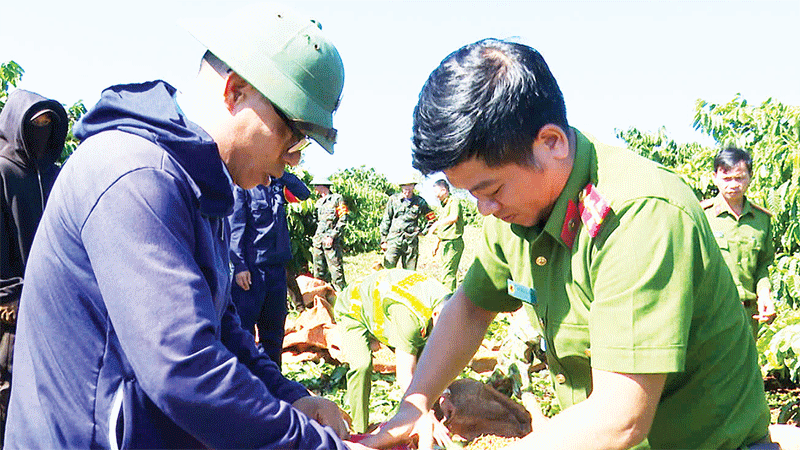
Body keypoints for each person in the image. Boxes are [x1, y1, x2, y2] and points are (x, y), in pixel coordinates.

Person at [362, 39, 772, 450]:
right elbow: (470, 307)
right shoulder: (515, 208)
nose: (483, 209)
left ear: (552, 142)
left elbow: (620, 416)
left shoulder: (637, 215)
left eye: (491, 189)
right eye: (470, 194)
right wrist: (413, 405)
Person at [4, 5, 374, 449]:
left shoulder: (199, 188)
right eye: (293, 135)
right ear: (235, 91)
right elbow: (183, 367)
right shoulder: (135, 175)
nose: (293, 160)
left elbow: (220, 326)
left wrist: (288, 396)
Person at [0, 89, 67, 446]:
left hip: (48, 309)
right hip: (9, 310)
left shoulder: (56, 177)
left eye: (47, 125)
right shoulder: (2, 170)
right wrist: (10, 294)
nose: (41, 131)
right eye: (35, 123)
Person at [333, 268, 450, 444]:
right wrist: (425, 416)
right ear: (434, 315)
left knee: (423, 357)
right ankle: (360, 430)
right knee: (362, 365)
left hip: (385, 301)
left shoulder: (449, 302)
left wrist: (444, 395)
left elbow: (437, 359)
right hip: (354, 307)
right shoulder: (410, 319)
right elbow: (404, 375)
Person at [229, 171, 310, 365]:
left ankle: (272, 381)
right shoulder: (244, 187)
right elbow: (235, 228)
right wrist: (239, 266)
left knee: (274, 331)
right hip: (252, 271)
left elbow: (304, 193)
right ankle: (245, 381)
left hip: (277, 269)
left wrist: (281, 173)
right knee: (244, 329)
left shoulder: (277, 186)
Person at [702, 147, 776, 339]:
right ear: (715, 178)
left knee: (746, 368)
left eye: (740, 178)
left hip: (748, 316)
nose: (733, 184)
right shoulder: (702, 216)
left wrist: (765, 295)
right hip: (711, 314)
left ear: (750, 177)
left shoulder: (761, 220)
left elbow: (763, 266)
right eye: (727, 179)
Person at [380, 176, 436, 270]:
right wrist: (383, 240)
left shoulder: (420, 201)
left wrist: (423, 231)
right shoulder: (393, 200)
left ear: (413, 187)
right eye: (404, 187)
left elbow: (432, 218)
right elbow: (386, 220)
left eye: (410, 186)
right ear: (401, 187)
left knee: (410, 274)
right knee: (388, 270)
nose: (407, 190)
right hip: (394, 240)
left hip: (411, 242)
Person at [311, 176, 348, 290]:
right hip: (318, 241)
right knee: (318, 271)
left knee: (336, 272)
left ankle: (341, 295)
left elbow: (343, 219)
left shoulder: (337, 199)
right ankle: (322, 297)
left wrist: (332, 236)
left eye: (316, 186)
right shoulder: (318, 203)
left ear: (322, 186)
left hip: (331, 241)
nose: (314, 189)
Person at [428, 179, 465, 290]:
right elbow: (444, 228)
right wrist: (437, 244)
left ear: (444, 190)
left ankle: (448, 299)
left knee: (448, 274)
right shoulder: (443, 205)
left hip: (453, 242)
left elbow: (454, 218)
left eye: (437, 192)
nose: (436, 196)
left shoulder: (454, 202)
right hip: (445, 242)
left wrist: (436, 224)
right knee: (444, 272)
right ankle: (446, 298)